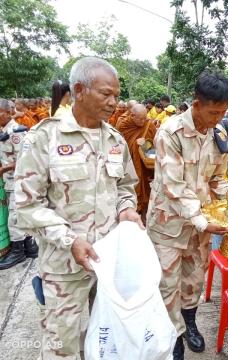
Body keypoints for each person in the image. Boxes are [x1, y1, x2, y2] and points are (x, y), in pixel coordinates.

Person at [14, 57, 141, 359]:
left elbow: (125, 187)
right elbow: (26, 204)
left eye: (117, 95)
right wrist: (70, 240)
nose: (114, 102)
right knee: (62, 347)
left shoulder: (115, 141)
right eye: (106, 93)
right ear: (80, 90)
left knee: (106, 343)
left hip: (108, 264)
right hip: (64, 269)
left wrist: (126, 209)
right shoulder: (44, 137)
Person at [146, 70, 228, 360]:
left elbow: (219, 178)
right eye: (213, 111)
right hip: (168, 225)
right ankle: (173, 337)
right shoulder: (169, 132)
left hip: (201, 226)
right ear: (196, 104)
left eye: (222, 112)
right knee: (167, 284)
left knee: (194, 279)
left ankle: (189, 323)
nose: (217, 118)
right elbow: (173, 186)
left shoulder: (219, 134)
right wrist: (201, 219)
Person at [0, 99, 38, 270]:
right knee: (19, 214)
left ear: (8, 112)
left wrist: (3, 169)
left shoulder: (16, 132)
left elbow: (25, 159)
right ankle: (30, 247)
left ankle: (18, 252)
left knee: (14, 217)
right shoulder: (5, 131)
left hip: (17, 180)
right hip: (10, 180)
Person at [117, 103, 156, 218]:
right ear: (132, 116)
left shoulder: (149, 126)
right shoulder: (123, 125)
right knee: (128, 188)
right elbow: (117, 146)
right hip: (127, 165)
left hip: (143, 167)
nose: (144, 121)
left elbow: (155, 149)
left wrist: (145, 144)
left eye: (145, 118)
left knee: (144, 190)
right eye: (141, 119)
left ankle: (142, 211)